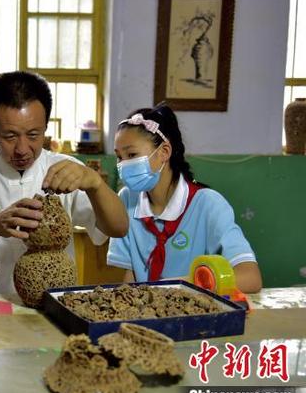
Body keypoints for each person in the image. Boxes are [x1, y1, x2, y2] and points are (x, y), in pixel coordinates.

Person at [0, 71, 128, 293]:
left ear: (46, 125)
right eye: (10, 136)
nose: (23, 149)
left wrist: (96, 185)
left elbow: (119, 228)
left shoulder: (65, 169)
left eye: (34, 135)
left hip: (51, 308)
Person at [107, 103, 262, 293]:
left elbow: (250, 278)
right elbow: (129, 277)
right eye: (119, 157)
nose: (123, 165)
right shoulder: (126, 200)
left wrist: (182, 285)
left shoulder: (208, 204)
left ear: (164, 152)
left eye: (132, 154)